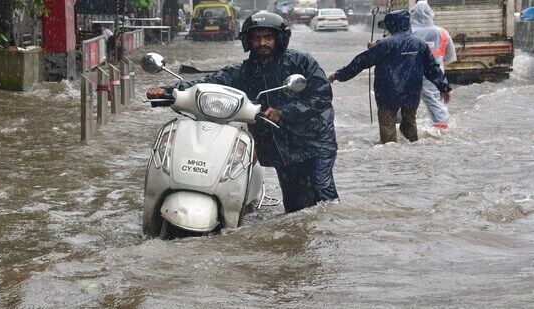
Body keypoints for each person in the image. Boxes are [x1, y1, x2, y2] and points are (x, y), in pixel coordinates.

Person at [147, 12, 339, 213]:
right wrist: (168, 91)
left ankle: (334, 232)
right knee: (295, 207)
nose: (262, 43)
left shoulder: (302, 62)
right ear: (248, 41)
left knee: (323, 192)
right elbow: (210, 81)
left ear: (280, 39)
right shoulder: (244, 71)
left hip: (315, 141)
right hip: (282, 147)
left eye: (268, 37)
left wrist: (285, 112)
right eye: (256, 38)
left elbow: (321, 96)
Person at [327, 10, 451, 144]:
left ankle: (390, 150)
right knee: (410, 123)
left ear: (391, 25)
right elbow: (432, 69)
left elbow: (359, 63)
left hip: (387, 92)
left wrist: (338, 75)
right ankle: (413, 151)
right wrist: (444, 87)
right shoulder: (420, 44)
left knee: (387, 127)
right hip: (411, 92)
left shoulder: (383, 45)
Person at [410, 0, 456, 129]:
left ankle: (401, 131)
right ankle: (441, 131)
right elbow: (449, 55)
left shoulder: (408, 32)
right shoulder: (442, 32)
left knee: (405, 102)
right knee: (434, 102)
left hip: (409, 72)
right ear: (431, 14)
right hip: (434, 73)